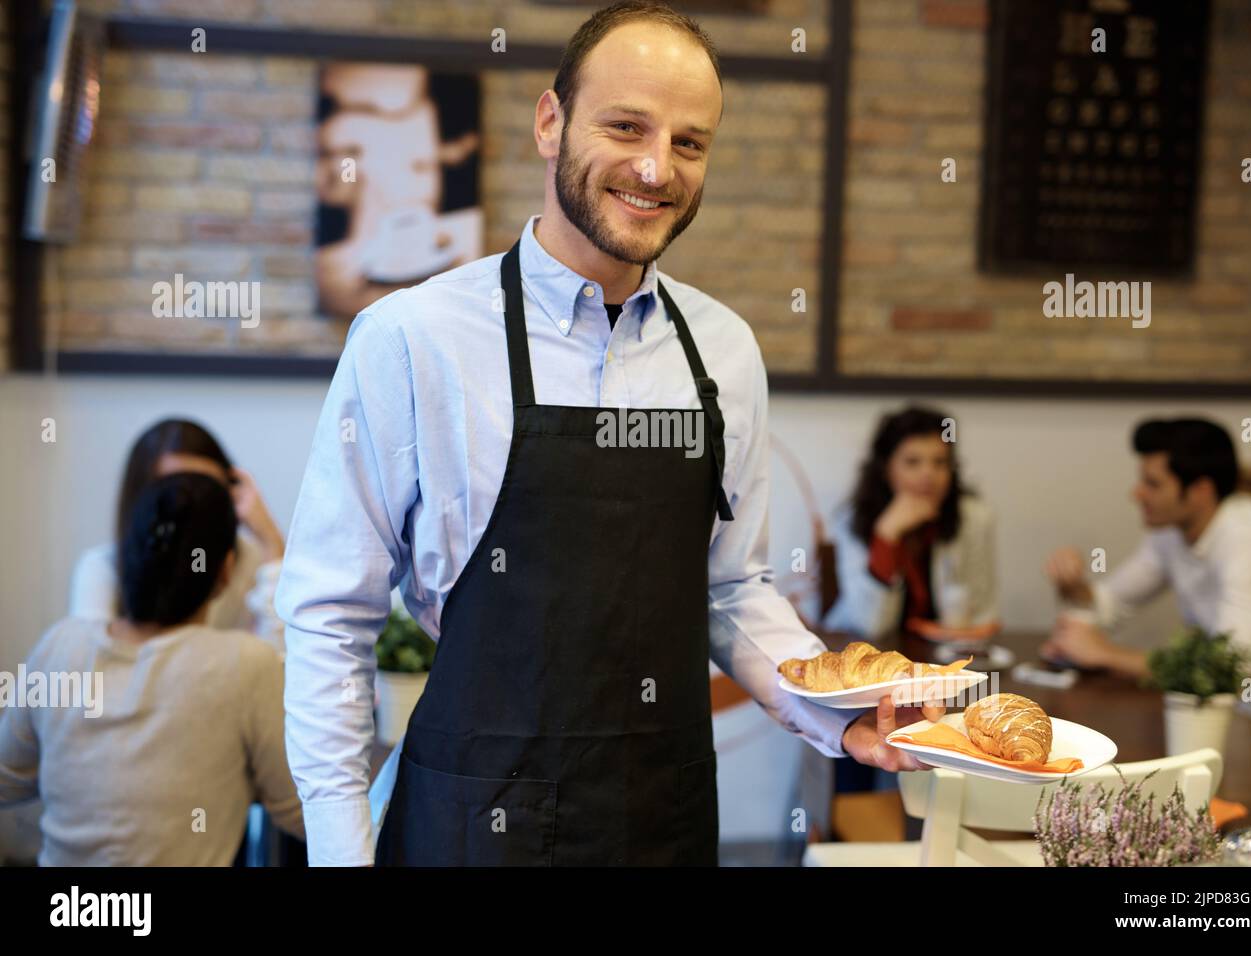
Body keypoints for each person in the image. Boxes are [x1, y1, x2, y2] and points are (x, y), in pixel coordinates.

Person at [276, 0, 941, 867]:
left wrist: (840, 719)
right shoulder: (413, 339)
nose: (656, 167)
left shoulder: (724, 352)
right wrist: (339, 853)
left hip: (659, 816)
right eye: (626, 125)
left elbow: (730, 589)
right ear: (551, 123)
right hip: (472, 818)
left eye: (690, 142)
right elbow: (330, 616)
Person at [0, 473, 304, 865]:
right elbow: (300, 810)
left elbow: (7, 778)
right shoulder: (243, 666)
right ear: (226, 569)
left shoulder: (61, 645)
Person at [1044, 417, 1251, 735]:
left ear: (1200, 491)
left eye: (1153, 484)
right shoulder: (1173, 531)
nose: (1136, 494)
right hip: (1217, 716)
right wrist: (1076, 588)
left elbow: (1231, 671)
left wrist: (1109, 655)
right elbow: (1109, 605)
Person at [69, 418, 285, 651]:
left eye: (206, 489)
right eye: (173, 491)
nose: (192, 505)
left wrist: (272, 543)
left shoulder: (251, 561)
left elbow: (274, 671)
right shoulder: (102, 569)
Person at [823, 406, 998, 639]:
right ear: (886, 469)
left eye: (940, 462)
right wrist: (886, 535)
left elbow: (983, 614)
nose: (928, 474)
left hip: (945, 658)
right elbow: (869, 625)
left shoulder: (974, 518)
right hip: (868, 656)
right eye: (913, 462)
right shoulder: (853, 518)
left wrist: (952, 634)